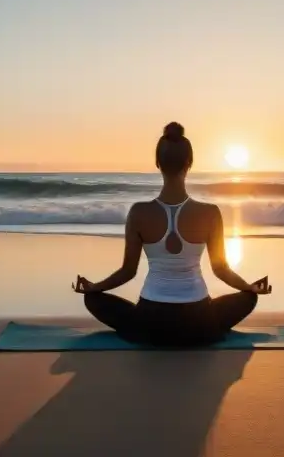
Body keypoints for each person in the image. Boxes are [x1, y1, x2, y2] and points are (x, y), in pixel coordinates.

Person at [72, 122, 272, 347]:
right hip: (199, 324)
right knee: (247, 298)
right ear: (189, 164)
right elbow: (221, 270)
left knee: (93, 299)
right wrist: (249, 287)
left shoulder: (139, 212)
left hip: (150, 324)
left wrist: (94, 287)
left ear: (158, 163)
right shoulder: (210, 213)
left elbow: (127, 272)